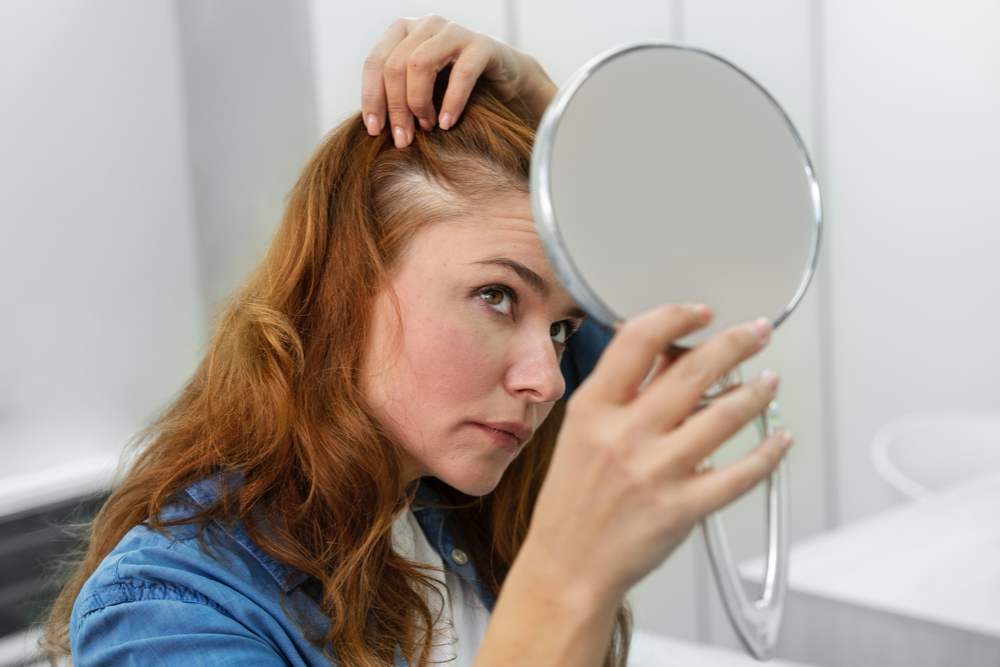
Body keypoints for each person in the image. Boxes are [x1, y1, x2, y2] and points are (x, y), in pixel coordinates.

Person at [43, 16, 790, 667]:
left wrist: (557, 116)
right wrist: (563, 585)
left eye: (563, 327)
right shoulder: (171, 610)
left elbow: (677, 295)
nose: (551, 379)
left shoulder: (457, 492)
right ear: (346, 285)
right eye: (496, 296)